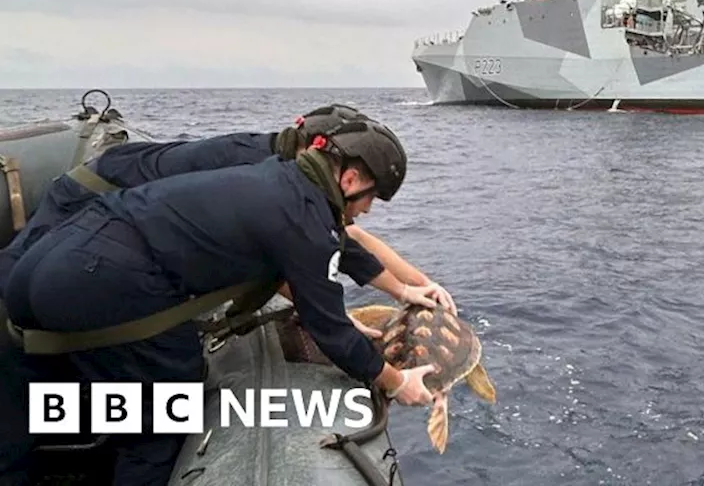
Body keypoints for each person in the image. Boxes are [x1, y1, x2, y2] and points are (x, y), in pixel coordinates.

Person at [1, 117, 442, 485]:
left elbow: (338, 246)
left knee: (41, 387)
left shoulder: (278, 176)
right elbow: (329, 328)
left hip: (47, 259)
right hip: (100, 280)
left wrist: (403, 290)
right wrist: (398, 383)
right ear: (350, 180)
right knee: (164, 418)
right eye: (370, 200)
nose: (366, 212)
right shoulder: (302, 218)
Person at [0, 104, 456, 316]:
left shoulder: (279, 170)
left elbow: (335, 236)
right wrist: (347, 326)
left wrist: (411, 288)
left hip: (110, 221)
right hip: (86, 208)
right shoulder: (266, 178)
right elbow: (309, 252)